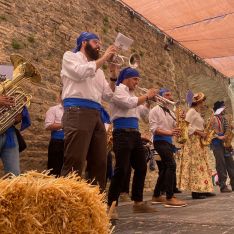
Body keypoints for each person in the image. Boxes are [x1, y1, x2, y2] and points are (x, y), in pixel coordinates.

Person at [60, 32, 117, 191]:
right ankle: (68, 204)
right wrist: (105, 58)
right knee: (75, 160)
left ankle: (94, 205)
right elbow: (80, 72)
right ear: (84, 43)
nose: (99, 46)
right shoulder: (70, 56)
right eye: (95, 42)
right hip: (77, 111)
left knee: (100, 161)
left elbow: (109, 94)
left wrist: (113, 75)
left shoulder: (98, 70)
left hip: (96, 114)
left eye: (99, 43)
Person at [107, 67, 157, 217]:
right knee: (121, 169)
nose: (137, 82)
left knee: (141, 167)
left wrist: (148, 103)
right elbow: (128, 104)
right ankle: (111, 205)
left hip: (135, 134)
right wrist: (147, 96)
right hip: (121, 133)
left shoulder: (133, 94)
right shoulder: (117, 90)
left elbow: (143, 115)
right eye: (135, 79)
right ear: (127, 78)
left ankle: (138, 202)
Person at [149, 88, 187, 207]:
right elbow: (154, 129)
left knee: (165, 168)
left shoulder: (170, 112)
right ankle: (169, 197)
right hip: (160, 141)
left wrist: (181, 119)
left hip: (168, 142)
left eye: (171, 95)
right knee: (171, 165)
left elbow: (175, 126)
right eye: (167, 95)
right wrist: (170, 132)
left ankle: (156, 195)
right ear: (160, 97)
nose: (170, 97)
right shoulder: (154, 110)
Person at [177, 92, 215, 199]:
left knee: (203, 165)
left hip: (199, 142)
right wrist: (199, 132)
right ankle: (196, 191)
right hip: (193, 141)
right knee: (195, 165)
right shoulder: (191, 112)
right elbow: (185, 126)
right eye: (203, 101)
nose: (204, 103)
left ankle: (204, 188)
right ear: (198, 102)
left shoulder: (197, 113)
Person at [0, 95, 30, 175]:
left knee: (14, 175)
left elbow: (14, 117)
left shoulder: (7, 86)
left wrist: (16, 117)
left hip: (10, 135)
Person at [210, 101, 234, 192]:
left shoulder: (224, 118)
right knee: (221, 165)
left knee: (231, 164)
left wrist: (230, 130)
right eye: (223, 107)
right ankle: (223, 186)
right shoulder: (212, 118)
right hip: (217, 144)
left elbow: (227, 129)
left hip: (225, 143)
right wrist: (219, 136)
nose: (225, 109)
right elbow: (210, 131)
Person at [45, 91, 64, 177]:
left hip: (71, 142)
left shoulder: (74, 111)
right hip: (57, 143)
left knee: (68, 171)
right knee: (54, 170)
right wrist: (64, 125)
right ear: (60, 97)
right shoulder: (53, 109)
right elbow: (48, 126)